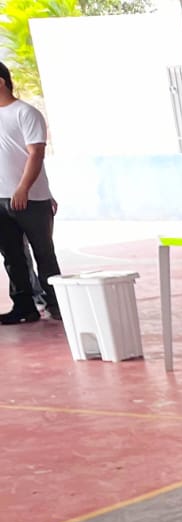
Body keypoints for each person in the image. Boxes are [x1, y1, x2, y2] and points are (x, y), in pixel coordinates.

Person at [0, 60, 61, 325]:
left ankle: (56, 304)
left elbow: (36, 153)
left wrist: (23, 188)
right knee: (13, 257)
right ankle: (24, 306)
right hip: (0, 200)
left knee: (44, 254)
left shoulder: (25, 113)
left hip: (31, 199)